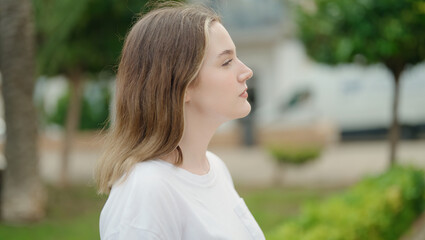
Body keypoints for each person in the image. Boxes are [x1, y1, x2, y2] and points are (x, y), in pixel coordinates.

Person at [95, 3, 265, 240]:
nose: (246, 71)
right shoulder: (145, 191)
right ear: (181, 86)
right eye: (226, 62)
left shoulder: (214, 168)